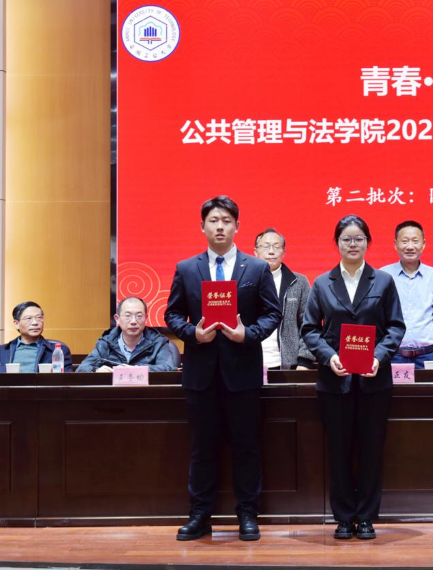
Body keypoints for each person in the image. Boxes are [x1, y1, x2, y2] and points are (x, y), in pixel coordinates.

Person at [165, 196, 282, 542]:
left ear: (237, 227)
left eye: (227, 221)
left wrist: (249, 334)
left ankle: (247, 514)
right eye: (214, 220)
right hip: (200, 375)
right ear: (202, 226)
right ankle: (200, 515)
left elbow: (272, 313)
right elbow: (172, 314)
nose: (220, 226)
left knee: (246, 447)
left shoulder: (256, 268)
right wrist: (193, 334)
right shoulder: (187, 268)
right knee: (202, 448)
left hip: (243, 373)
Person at [301, 215, 405, 540]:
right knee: (339, 451)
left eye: (359, 238)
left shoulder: (383, 281)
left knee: (372, 451)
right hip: (335, 382)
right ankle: (344, 517)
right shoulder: (322, 283)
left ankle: (367, 517)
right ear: (337, 243)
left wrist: (378, 356)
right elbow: (309, 329)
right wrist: (329, 356)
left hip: (374, 381)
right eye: (346, 238)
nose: (353, 244)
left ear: (368, 242)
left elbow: (396, 327)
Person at [381, 220, 433, 369]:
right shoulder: (383, 276)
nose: (410, 246)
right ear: (395, 244)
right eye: (404, 241)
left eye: (415, 241)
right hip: (392, 355)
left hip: (427, 357)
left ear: (423, 244)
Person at [253, 228, 315, 370]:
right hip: (249, 364)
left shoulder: (299, 282)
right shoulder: (243, 281)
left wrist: (304, 361)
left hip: (288, 366)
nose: (271, 251)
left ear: (284, 252)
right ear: (255, 252)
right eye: (265, 246)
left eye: (276, 247)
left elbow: (310, 324)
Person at [77, 296, 177, 372]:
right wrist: (96, 370)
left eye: (139, 316)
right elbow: (82, 368)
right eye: (128, 316)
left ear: (146, 318)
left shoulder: (159, 342)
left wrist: (135, 370)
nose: (133, 321)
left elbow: (167, 368)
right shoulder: (106, 343)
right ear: (117, 319)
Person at [0, 301, 72, 373]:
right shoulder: (2, 351)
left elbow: (67, 378)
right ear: (16, 324)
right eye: (28, 318)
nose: (35, 323)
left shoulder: (58, 351)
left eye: (39, 318)